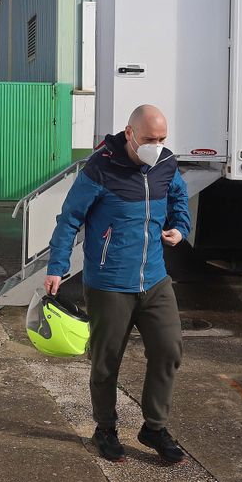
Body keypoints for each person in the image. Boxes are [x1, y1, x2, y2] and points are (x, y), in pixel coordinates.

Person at [45, 104, 192, 463]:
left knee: (169, 350)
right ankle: (106, 428)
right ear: (129, 134)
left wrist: (180, 228)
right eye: (148, 139)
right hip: (109, 282)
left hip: (155, 279)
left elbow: (179, 200)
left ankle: (153, 428)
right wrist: (56, 266)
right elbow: (69, 219)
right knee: (106, 360)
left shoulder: (166, 164)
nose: (156, 146)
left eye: (161, 139)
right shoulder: (100, 168)